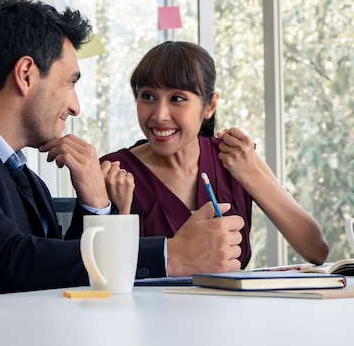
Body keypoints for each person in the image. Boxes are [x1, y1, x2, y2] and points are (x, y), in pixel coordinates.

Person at [0, 0, 244, 304]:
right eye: (69, 83)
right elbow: (9, 262)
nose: (75, 106)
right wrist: (170, 254)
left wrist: (94, 204)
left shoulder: (26, 179)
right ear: (25, 75)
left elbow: (60, 278)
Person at [101, 41, 329, 268]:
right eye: (148, 96)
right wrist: (121, 213)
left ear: (209, 105)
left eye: (177, 98)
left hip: (230, 304)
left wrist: (250, 174)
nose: (160, 115)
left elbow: (316, 250)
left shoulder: (235, 158)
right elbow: (89, 268)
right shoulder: (111, 172)